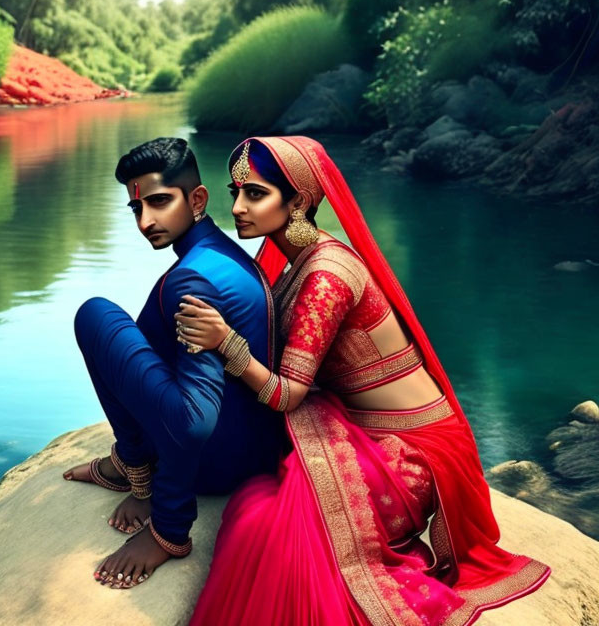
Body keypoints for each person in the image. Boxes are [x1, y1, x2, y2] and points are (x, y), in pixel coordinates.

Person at [177, 136, 549, 625]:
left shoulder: (325, 277)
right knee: (257, 501)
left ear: (298, 203)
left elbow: (289, 394)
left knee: (267, 523)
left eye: (256, 194)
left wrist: (226, 342)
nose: (239, 207)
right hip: (365, 429)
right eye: (235, 192)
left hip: (415, 450)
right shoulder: (297, 265)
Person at [62, 137, 283, 588]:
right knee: (138, 334)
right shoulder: (226, 255)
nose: (146, 221)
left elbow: (192, 422)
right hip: (253, 448)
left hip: (215, 463)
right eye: (136, 209)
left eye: (159, 202)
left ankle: (139, 473)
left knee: (95, 315)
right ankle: (130, 461)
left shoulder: (193, 278)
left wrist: (168, 527)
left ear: (197, 199)